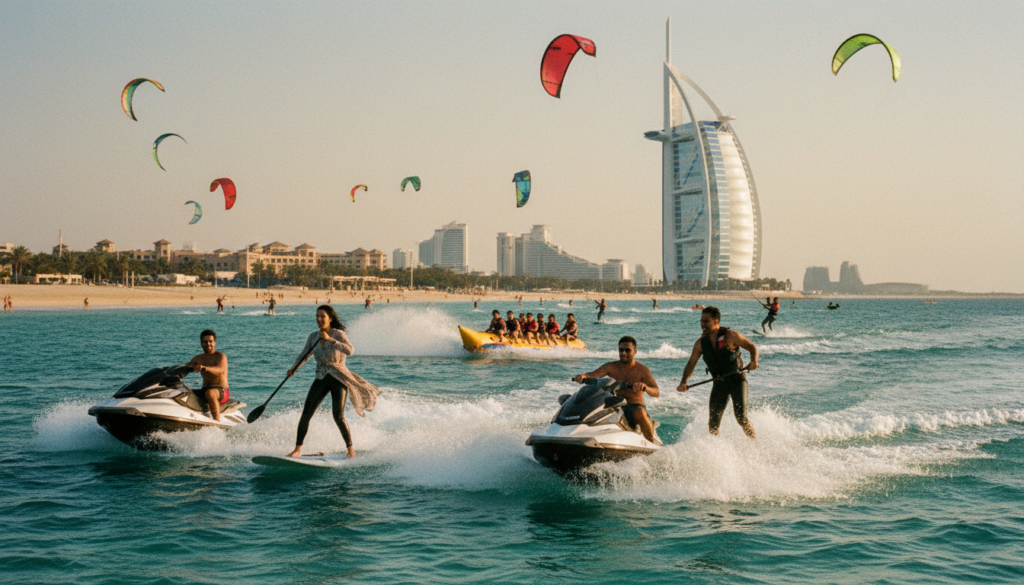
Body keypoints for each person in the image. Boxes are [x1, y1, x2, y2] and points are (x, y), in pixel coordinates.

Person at [286, 305, 381, 459]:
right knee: (306, 413)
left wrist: (330, 340)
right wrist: (294, 368)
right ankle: (297, 450)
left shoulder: (338, 334)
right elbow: (305, 354)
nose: (319, 319)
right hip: (321, 377)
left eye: (322, 316)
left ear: (330, 318)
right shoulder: (313, 337)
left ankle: (350, 450)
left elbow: (350, 350)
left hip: (339, 378)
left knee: (338, 416)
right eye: (317, 316)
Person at [677, 306, 759, 438]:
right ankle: (717, 451)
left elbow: (752, 346)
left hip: (737, 380)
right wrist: (683, 382)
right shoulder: (700, 343)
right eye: (701, 321)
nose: (702, 324)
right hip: (719, 384)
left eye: (706, 321)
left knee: (741, 418)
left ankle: (755, 444)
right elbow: (691, 364)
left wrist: (754, 360)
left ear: (716, 322)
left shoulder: (731, 336)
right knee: (713, 425)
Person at [572, 336, 660, 443]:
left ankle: (651, 443)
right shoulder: (610, 366)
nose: (623, 353)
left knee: (640, 412)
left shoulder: (643, 370)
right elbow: (593, 375)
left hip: (634, 407)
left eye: (627, 350)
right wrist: (583, 376)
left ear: (635, 352)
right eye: (621, 350)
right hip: (614, 406)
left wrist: (645, 387)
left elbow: (656, 392)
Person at [185, 329, 230, 422]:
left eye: (210, 341)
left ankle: (217, 423)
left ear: (215, 342)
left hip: (221, 391)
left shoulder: (221, 356)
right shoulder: (198, 358)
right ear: (201, 343)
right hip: (205, 390)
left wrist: (204, 368)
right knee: (183, 391)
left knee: (210, 393)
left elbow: (219, 370)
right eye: (205, 342)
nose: (208, 344)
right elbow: (186, 367)